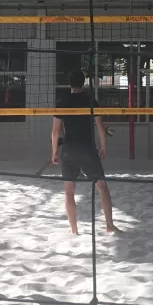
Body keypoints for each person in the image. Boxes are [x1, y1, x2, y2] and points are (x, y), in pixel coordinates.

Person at [51, 69, 122, 235]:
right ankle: (109, 225)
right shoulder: (90, 100)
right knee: (102, 187)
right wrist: (104, 148)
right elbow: (101, 128)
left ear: (69, 83)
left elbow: (54, 131)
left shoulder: (62, 101)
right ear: (83, 82)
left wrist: (54, 152)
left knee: (69, 191)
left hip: (68, 150)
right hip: (87, 150)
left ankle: (74, 230)